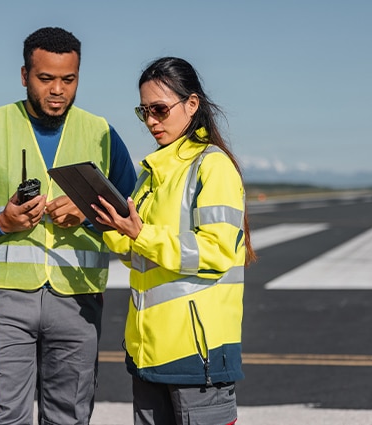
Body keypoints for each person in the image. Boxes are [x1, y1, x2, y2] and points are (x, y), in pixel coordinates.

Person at [0, 27, 137, 424]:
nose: (58, 90)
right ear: (25, 75)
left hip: (77, 298)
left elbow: (132, 218)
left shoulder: (102, 135)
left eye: (68, 79)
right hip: (3, 297)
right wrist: (1, 221)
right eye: (46, 79)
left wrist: (89, 215)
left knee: (70, 415)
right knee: (3, 415)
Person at [91, 57, 256, 425]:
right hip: (148, 352)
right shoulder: (152, 174)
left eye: (160, 110)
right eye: (144, 111)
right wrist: (112, 227)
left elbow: (214, 252)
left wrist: (140, 233)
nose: (151, 121)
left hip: (197, 356)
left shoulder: (213, 167)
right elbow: (143, 259)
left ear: (191, 104)